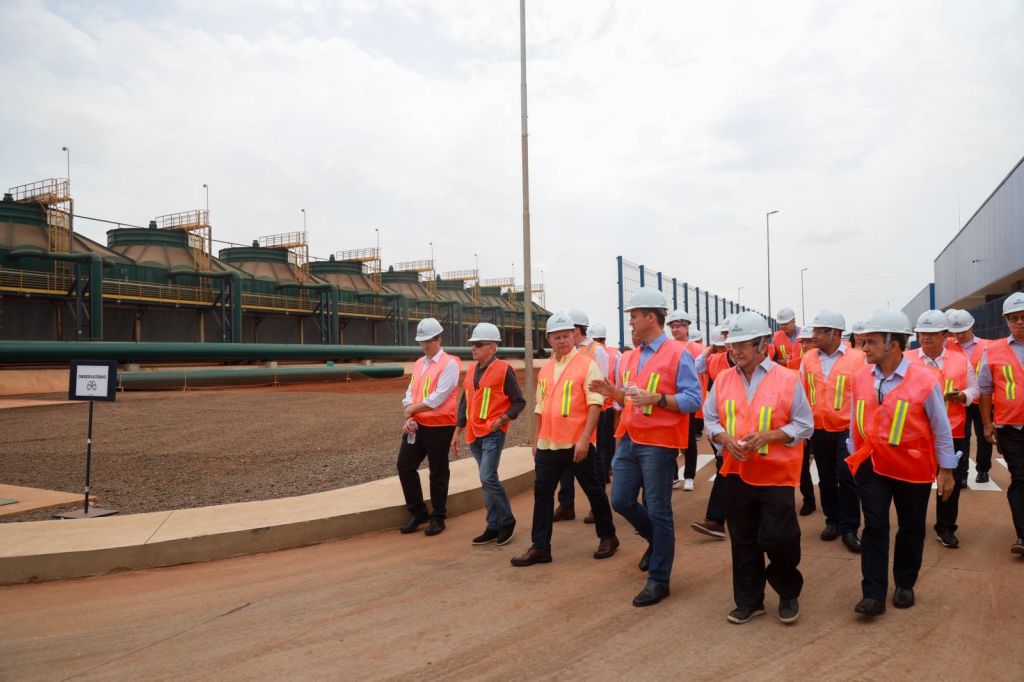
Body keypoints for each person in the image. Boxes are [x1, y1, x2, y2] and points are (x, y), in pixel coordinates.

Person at [589, 287, 702, 607]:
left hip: (660, 443)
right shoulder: (630, 356)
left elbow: (693, 399)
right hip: (630, 438)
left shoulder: (678, 353)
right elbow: (628, 399)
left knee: (658, 508)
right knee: (621, 500)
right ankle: (657, 541)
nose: (631, 322)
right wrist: (613, 391)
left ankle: (659, 579)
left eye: (635, 316)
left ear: (651, 317)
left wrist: (658, 399)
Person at [704, 312, 814, 624]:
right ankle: (750, 601)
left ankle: (787, 591)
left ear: (762, 346)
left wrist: (769, 436)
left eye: (743, 345)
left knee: (780, 539)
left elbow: (805, 425)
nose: (736, 351)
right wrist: (724, 438)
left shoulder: (788, 379)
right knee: (743, 540)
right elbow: (710, 418)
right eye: (732, 345)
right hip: (737, 473)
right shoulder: (723, 379)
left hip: (776, 475)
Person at [845, 310, 957, 616]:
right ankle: (873, 594)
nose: (864, 348)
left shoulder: (925, 379)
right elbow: (855, 420)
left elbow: (941, 427)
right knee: (875, 524)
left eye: (871, 342)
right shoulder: (859, 378)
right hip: (872, 465)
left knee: (911, 527)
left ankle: (905, 584)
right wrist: (853, 456)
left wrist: (947, 470)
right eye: (863, 341)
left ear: (893, 344)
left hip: (912, 467)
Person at [510, 312, 619, 567]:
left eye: (566, 336)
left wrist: (585, 439)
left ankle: (608, 537)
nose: (562, 341)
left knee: (594, 491)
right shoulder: (547, 369)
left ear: (574, 336)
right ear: (548, 339)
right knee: (542, 494)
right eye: (557, 337)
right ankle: (540, 547)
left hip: (576, 444)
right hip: (548, 444)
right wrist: (536, 440)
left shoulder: (587, 364)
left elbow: (595, 404)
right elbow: (540, 406)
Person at [905, 310, 978, 548]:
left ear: (945, 335)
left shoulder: (960, 360)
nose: (926, 338)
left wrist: (963, 395)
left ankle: (945, 527)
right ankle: (913, 523)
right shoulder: (907, 359)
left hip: (952, 430)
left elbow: (975, 389)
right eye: (922, 333)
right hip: (916, 432)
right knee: (914, 481)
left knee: (949, 480)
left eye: (933, 333)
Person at [451, 322, 526, 546]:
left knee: (487, 477)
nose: (473, 347)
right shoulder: (471, 370)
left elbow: (519, 402)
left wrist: (501, 421)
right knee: (486, 481)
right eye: (472, 344)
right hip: (474, 433)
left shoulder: (504, 370)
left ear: (492, 347)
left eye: (479, 344)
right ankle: (493, 525)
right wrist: (457, 431)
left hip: (493, 432)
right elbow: (466, 401)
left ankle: (507, 521)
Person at [801, 309, 866, 552]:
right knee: (826, 477)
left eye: (820, 331)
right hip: (818, 428)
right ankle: (833, 521)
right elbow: (801, 392)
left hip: (846, 428)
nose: (814, 335)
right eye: (814, 330)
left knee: (846, 476)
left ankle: (850, 527)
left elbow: (866, 392)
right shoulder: (808, 358)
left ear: (835, 333)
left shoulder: (858, 358)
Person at [397, 317, 460, 536]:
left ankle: (438, 517)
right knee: (404, 466)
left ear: (439, 339)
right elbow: (410, 392)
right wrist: (409, 414)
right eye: (422, 342)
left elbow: (439, 397)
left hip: (440, 427)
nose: (425, 346)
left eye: (429, 341)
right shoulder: (418, 363)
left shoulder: (450, 363)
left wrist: (412, 410)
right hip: (418, 424)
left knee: (438, 471)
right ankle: (418, 512)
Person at [551, 308, 610, 523]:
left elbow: (600, 384)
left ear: (576, 330)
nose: (563, 337)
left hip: (592, 414)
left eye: (567, 331)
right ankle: (566, 505)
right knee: (564, 462)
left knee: (594, 461)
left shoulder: (596, 350)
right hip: (566, 418)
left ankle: (597, 507)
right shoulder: (561, 351)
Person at [978, 291, 1024, 555]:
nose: (1019, 322)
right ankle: (1022, 535)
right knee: (1020, 477)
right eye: (1013, 318)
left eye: (1023, 317)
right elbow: (985, 390)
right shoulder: (993, 350)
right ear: (1006, 321)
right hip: (1011, 428)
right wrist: (987, 424)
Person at [691, 324, 733, 539]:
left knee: (734, 474)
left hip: (747, 428)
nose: (725, 348)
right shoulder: (716, 361)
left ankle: (719, 518)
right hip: (722, 427)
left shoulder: (759, 364)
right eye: (720, 344)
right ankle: (716, 520)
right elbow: (697, 366)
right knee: (724, 470)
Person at [947, 309, 994, 483]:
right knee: (962, 437)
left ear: (972, 327)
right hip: (959, 399)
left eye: (963, 331)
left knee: (984, 435)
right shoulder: (948, 345)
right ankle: (962, 474)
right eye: (956, 332)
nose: (959, 335)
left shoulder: (988, 346)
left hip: (983, 399)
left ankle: (983, 469)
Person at [667, 309, 704, 491]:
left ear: (687, 327)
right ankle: (674, 476)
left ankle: (689, 476)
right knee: (670, 440)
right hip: (671, 400)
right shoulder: (667, 347)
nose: (675, 330)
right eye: (673, 327)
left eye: (679, 326)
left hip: (688, 400)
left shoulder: (697, 349)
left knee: (689, 439)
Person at [587, 322, 619, 490]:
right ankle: (606, 471)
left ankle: (602, 473)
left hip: (597, 406)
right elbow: (619, 380)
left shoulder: (589, 352)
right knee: (607, 443)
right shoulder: (615, 353)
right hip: (609, 405)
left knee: (599, 443)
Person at [793, 326, 817, 515]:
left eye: (808, 341)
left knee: (831, 469)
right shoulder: (796, 363)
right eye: (802, 342)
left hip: (824, 421)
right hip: (804, 420)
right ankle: (808, 499)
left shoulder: (822, 364)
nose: (804, 345)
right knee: (802, 465)